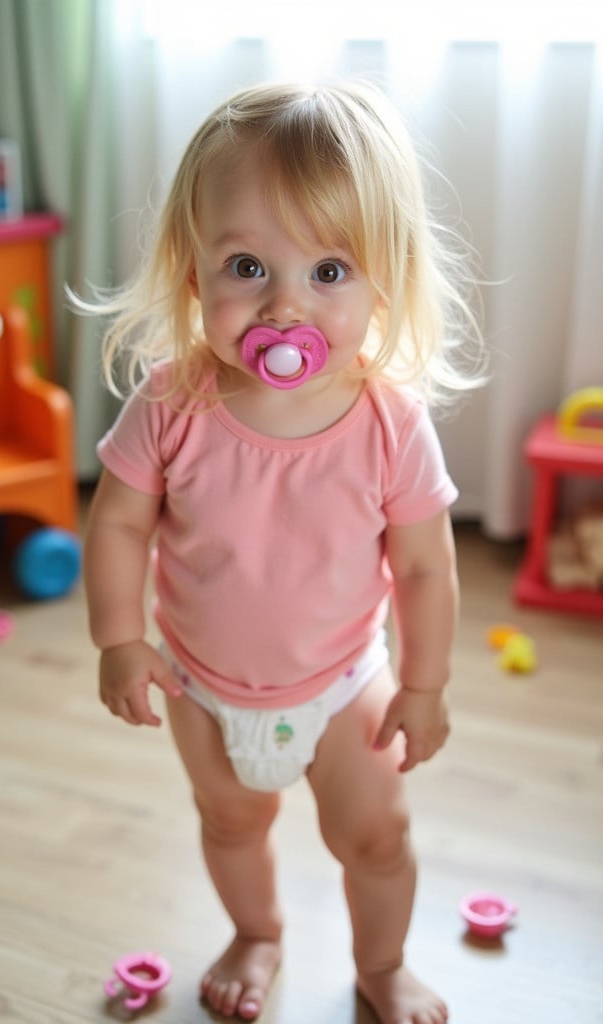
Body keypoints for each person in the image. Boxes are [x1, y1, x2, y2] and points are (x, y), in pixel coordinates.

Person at [81, 81, 484, 1024]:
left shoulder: (391, 424)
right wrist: (117, 637)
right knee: (231, 821)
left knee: (376, 834)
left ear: (386, 278)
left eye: (330, 272)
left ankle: (381, 965)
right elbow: (118, 524)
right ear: (194, 273)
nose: (285, 307)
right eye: (248, 265)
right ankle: (256, 931)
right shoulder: (170, 404)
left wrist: (424, 685)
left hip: (345, 681)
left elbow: (427, 567)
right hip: (202, 682)